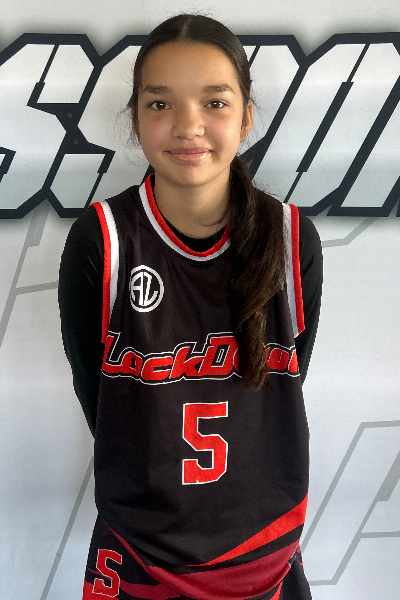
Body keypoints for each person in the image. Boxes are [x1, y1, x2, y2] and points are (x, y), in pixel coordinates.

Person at [58, 13, 322, 600]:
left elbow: (287, 383)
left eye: (215, 102)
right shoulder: (102, 239)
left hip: (262, 556)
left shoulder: (291, 239)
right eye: (160, 104)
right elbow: (101, 400)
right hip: (139, 554)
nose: (188, 126)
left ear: (246, 116)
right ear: (135, 118)